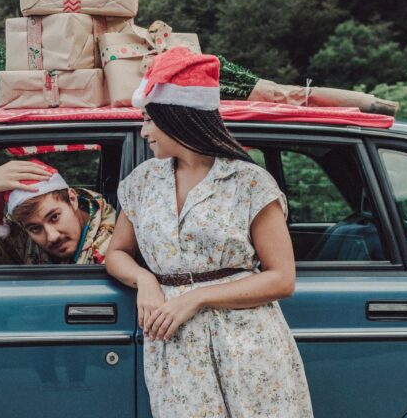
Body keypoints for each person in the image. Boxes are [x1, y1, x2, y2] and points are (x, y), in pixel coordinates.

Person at [105, 47, 313, 417]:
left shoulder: (249, 182)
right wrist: (146, 280)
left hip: (248, 342)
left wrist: (196, 298)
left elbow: (283, 278)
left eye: (150, 119)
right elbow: (117, 252)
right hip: (177, 349)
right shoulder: (142, 182)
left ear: (178, 118)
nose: (143, 130)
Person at [0, 159, 115, 265]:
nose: (52, 237)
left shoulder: (117, 241)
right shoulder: (21, 239)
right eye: (35, 228)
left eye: (54, 217)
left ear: (73, 199)